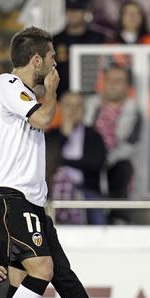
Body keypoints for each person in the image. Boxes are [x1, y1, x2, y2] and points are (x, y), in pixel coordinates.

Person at [0, 26, 61, 298]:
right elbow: (44, 119)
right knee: (42, 268)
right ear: (36, 60)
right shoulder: (9, 85)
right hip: (12, 197)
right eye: (51, 57)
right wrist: (53, 92)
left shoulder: (20, 92)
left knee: (17, 280)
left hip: (22, 197)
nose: (55, 62)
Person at [84, 64, 140, 206]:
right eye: (109, 80)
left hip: (114, 160)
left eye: (118, 81)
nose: (113, 85)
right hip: (89, 159)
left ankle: (117, 215)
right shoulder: (90, 105)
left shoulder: (133, 111)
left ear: (127, 86)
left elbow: (131, 144)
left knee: (124, 168)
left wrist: (106, 159)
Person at [47, 91, 107, 224]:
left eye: (77, 106)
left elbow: (97, 164)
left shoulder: (94, 136)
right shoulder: (50, 135)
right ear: (60, 108)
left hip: (85, 189)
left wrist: (64, 162)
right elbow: (48, 162)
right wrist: (65, 136)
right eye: (68, 106)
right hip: (54, 191)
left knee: (99, 221)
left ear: (84, 110)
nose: (73, 111)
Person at [53, 0, 106, 95]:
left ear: (85, 12)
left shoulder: (98, 39)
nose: (73, 14)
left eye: (77, 10)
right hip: (63, 96)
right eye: (69, 10)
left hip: (92, 94)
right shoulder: (55, 40)